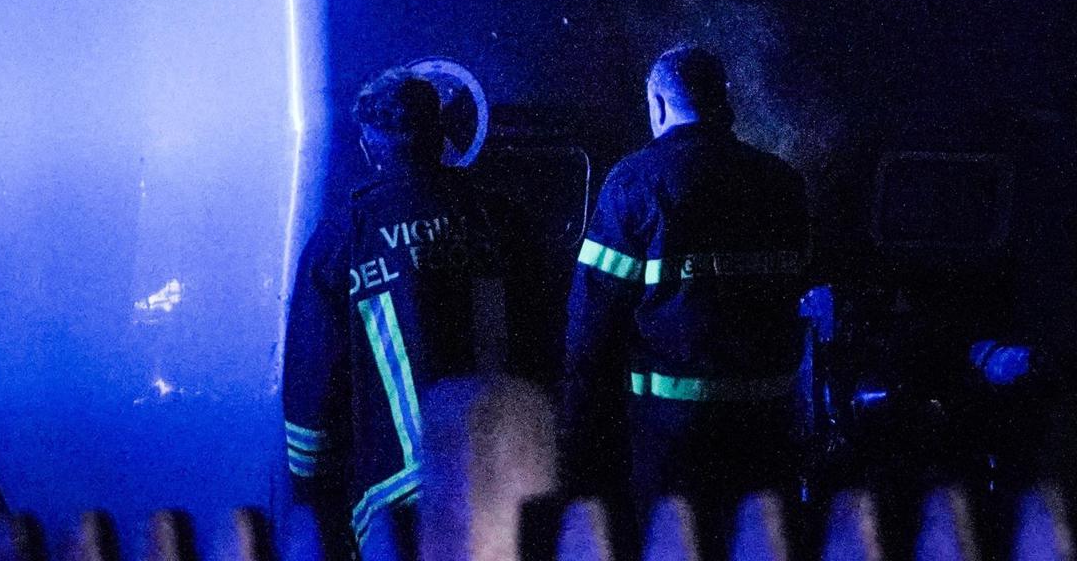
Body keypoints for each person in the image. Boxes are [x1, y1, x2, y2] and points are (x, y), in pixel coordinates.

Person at [561, 45, 809, 525]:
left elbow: (591, 322)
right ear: (723, 100)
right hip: (768, 431)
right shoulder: (783, 183)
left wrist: (576, 435)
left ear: (657, 104)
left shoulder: (636, 182)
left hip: (674, 437)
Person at [283, 68, 505, 561]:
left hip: (400, 500)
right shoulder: (499, 219)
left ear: (369, 149)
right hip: (504, 480)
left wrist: (308, 486)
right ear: (442, 139)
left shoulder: (341, 242)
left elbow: (312, 375)